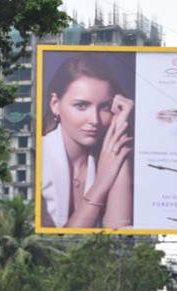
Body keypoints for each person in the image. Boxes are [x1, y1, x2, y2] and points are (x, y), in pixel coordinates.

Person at [41, 54, 134, 229]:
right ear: (55, 104)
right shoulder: (38, 159)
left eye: (104, 107)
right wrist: (101, 184)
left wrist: (120, 129)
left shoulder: (107, 158)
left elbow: (116, 232)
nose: (95, 120)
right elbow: (57, 243)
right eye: (81, 106)